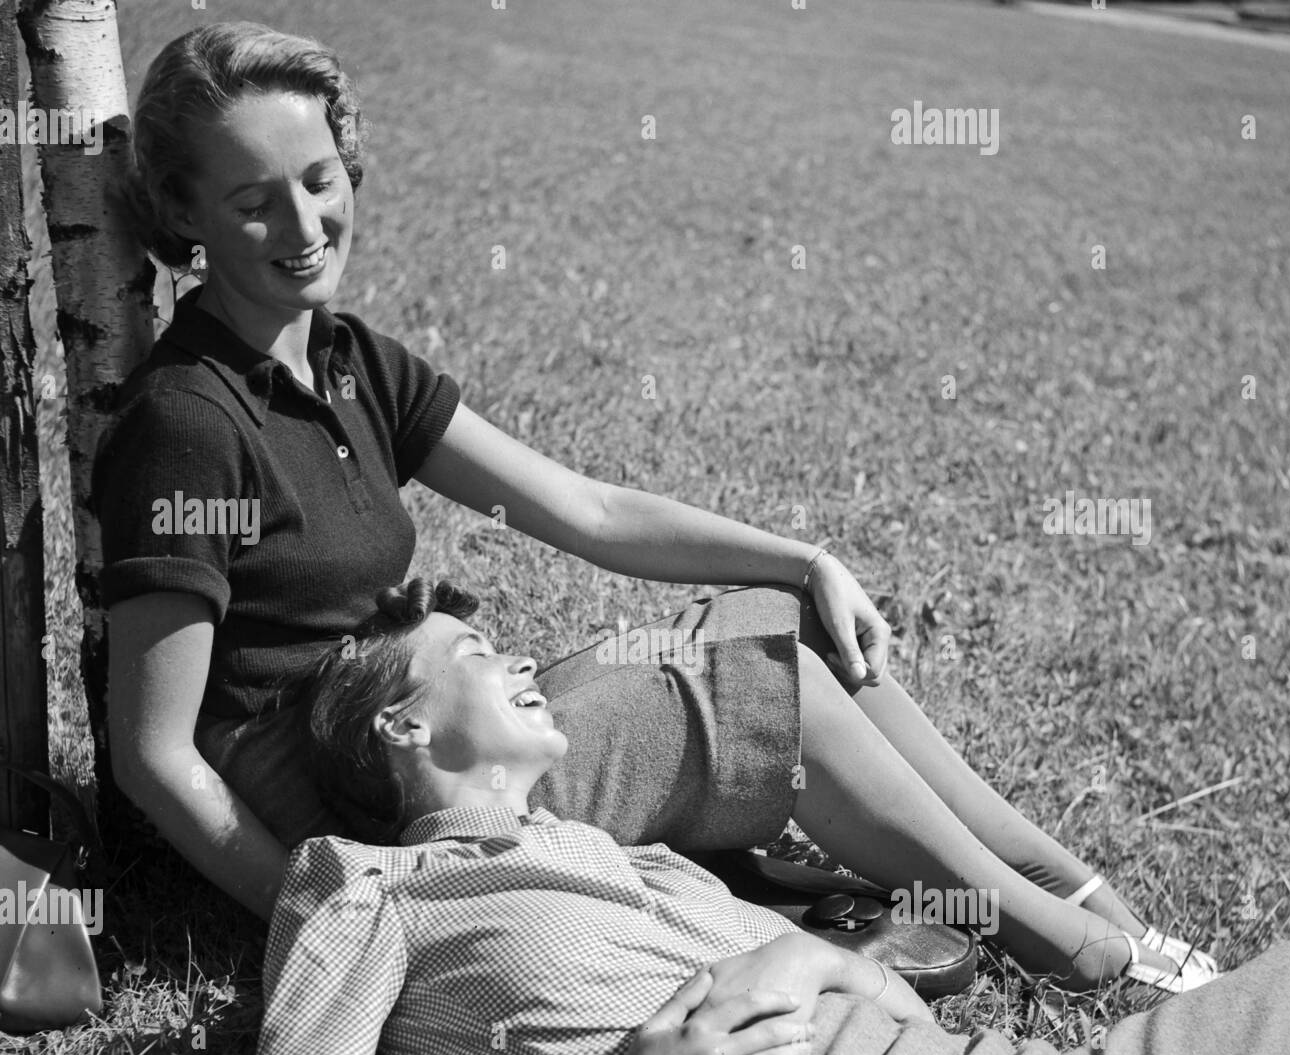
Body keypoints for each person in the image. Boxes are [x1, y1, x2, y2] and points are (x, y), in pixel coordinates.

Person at [93, 20, 1212, 990]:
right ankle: (1077, 949)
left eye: (319, 179)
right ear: (185, 216)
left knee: (787, 622)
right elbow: (157, 753)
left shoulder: (347, 361)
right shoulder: (189, 419)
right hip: (369, 798)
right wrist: (326, 915)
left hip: (435, 712)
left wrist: (796, 556)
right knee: (749, 681)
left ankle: (1065, 883)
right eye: (253, 202)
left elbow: (583, 508)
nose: (301, 225)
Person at [233, 579, 1290, 1055]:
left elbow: (876, 997)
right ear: (401, 726)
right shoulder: (367, 888)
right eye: (473, 652)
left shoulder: (624, 860)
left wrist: (816, 957)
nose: (517, 660)